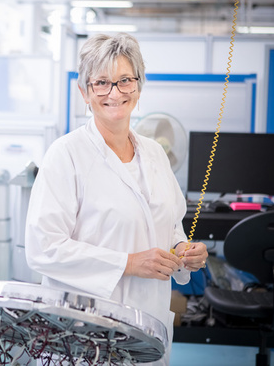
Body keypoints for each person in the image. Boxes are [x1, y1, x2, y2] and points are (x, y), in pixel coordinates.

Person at [24, 32, 208, 365]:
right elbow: (43, 247)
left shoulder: (154, 153)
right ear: (84, 91)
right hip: (83, 333)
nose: (115, 93)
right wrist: (129, 263)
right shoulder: (65, 155)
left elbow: (170, 226)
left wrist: (183, 250)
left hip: (148, 329)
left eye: (125, 80)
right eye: (102, 83)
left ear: (138, 86)